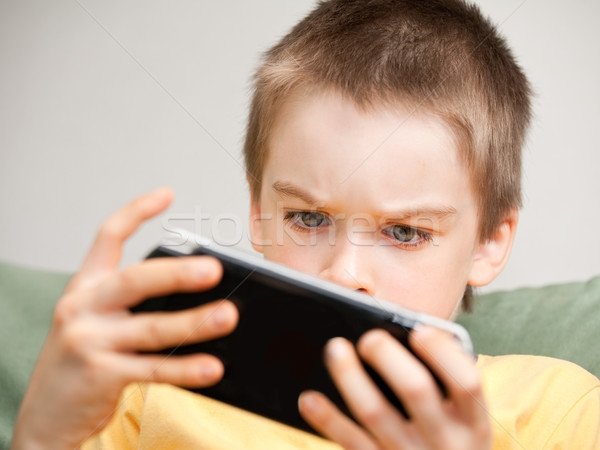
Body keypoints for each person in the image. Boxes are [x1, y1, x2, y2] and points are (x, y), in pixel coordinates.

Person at [11, 0, 600, 448]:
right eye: (309, 217)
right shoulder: (159, 383)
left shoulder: (558, 410)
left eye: (406, 232)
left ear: (490, 242)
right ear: (261, 217)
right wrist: (42, 430)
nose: (344, 273)